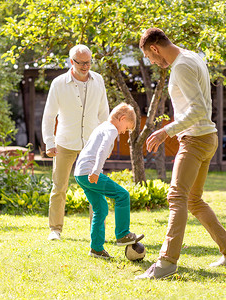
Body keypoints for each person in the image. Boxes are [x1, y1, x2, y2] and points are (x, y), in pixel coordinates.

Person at [136, 28, 226, 279]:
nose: (152, 62)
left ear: (154, 48)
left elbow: (198, 110)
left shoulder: (181, 66)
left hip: (195, 139)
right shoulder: (193, 56)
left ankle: (166, 262)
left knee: (176, 197)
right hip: (207, 138)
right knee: (193, 200)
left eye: (150, 57)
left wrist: (166, 131)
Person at [42, 45, 109, 241]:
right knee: (59, 187)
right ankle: (55, 229)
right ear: (72, 62)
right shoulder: (58, 83)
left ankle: (97, 231)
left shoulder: (99, 81)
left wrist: (107, 141)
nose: (86, 66)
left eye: (88, 62)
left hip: (92, 143)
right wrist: (49, 142)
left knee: (96, 187)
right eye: (81, 63)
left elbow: (104, 113)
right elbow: (48, 116)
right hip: (64, 143)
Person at [74, 103, 144, 259]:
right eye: (126, 127)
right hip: (90, 172)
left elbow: (91, 148)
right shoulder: (112, 129)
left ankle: (96, 249)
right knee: (122, 195)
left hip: (80, 173)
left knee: (100, 209)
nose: (124, 132)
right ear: (122, 118)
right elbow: (102, 148)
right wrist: (96, 171)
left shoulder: (102, 127)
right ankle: (123, 234)